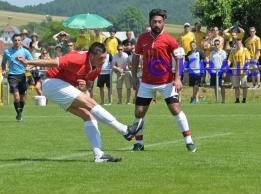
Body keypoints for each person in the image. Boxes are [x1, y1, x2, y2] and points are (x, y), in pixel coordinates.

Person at [17, 42, 143, 162]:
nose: (104, 61)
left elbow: (87, 87)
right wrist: (28, 61)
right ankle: (125, 130)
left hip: (62, 87)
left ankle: (99, 155)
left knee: (89, 116)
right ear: (92, 55)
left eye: (105, 57)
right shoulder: (76, 58)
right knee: (90, 103)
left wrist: (83, 87)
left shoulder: (97, 68)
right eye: (101, 58)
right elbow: (52, 62)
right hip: (52, 83)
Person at [130, 9, 195, 152]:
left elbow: (180, 58)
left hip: (166, 82)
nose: (157, 24)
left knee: (175, 109)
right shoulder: (142, 38)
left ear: (163, 22)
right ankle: (139, 143)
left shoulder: (170, 39)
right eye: (154, 21)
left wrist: (177, 78)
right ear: (150, 22)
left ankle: (189, 141)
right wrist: (134, 77)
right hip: (146, 83)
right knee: (139, 112)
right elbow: (135, 57)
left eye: (159, 22)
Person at [2, 34, 34, 121]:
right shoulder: (7, 51)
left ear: (21, 41)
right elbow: (3, 63)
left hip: (23, 76)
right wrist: (4, 70)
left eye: (19, 40)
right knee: (16, 97)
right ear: (13, 41)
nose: (17, 42)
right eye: (15, 40)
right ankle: (19, 114)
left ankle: (20, 112)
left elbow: (32, 62)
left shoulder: (25, 51)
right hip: (12, 75)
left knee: (22, 97)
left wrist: (28, 67)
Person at [228, 39, 249, 103]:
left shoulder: (245, 50)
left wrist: (246, 67)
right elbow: (229, 60)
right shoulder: (233, 51)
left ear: (241, 43)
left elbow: (248, 59)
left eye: (239, 43)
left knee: (244, 86)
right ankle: (237, 99)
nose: (238, 45)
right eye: (237, 44)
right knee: (236, 86)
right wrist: (227, 66)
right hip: (235, 71)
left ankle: (244, 99)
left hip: (243, 71)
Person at [208, 38, 227, 103]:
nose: (216, 45)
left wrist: (224, 72)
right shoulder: (212, 53)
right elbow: (210, 63)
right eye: (215, 44)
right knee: (215, 87)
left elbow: (225, 63)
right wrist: (210, 73)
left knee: (222, 86)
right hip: (214, 71)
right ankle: (217, 99)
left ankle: (223, 100)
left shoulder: (223, 52)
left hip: (221, 71)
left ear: (220, 44)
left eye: (218, 44)